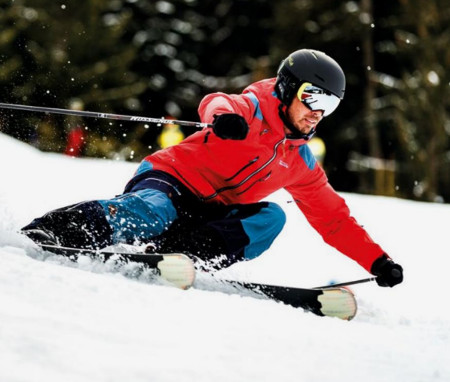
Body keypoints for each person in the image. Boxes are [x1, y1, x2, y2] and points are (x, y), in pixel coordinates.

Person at [22, 49, 403, 287]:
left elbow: (333, 219)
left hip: (212, 213)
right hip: (172, 180)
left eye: (329, 104)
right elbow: (219, 100)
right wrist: (223, 118)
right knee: (153, 211)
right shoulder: (252, 108)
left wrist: (376, 260)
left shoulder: (300, 162)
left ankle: (180, 255)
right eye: (311, 97)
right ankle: (59, 229)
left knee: (271, 218)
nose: (317, 111)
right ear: (288, 89)